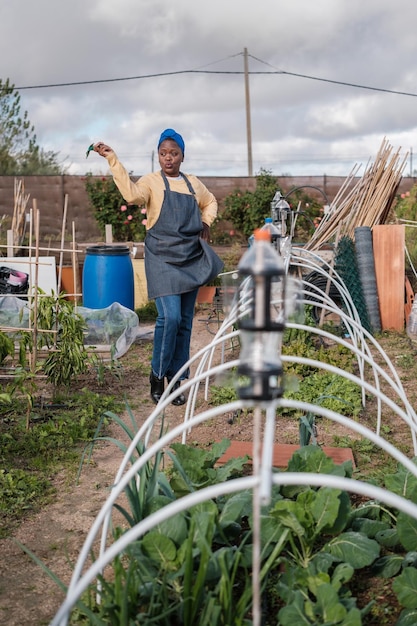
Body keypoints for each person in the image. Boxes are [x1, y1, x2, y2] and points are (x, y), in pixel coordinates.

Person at [93, 128, 223, 405]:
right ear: (159, 155)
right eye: (163, 153)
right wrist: (112, 159)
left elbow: (210, 201)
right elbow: (131, 195)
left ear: (182, 156)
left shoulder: (193, 184)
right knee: (170, 317)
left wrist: (207, 222)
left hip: (189, 257)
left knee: (186, 322)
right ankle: (157, 374)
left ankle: (176, 381)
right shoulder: (151, 182)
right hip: (162, 257)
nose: (168, 158)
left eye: (173, 153)